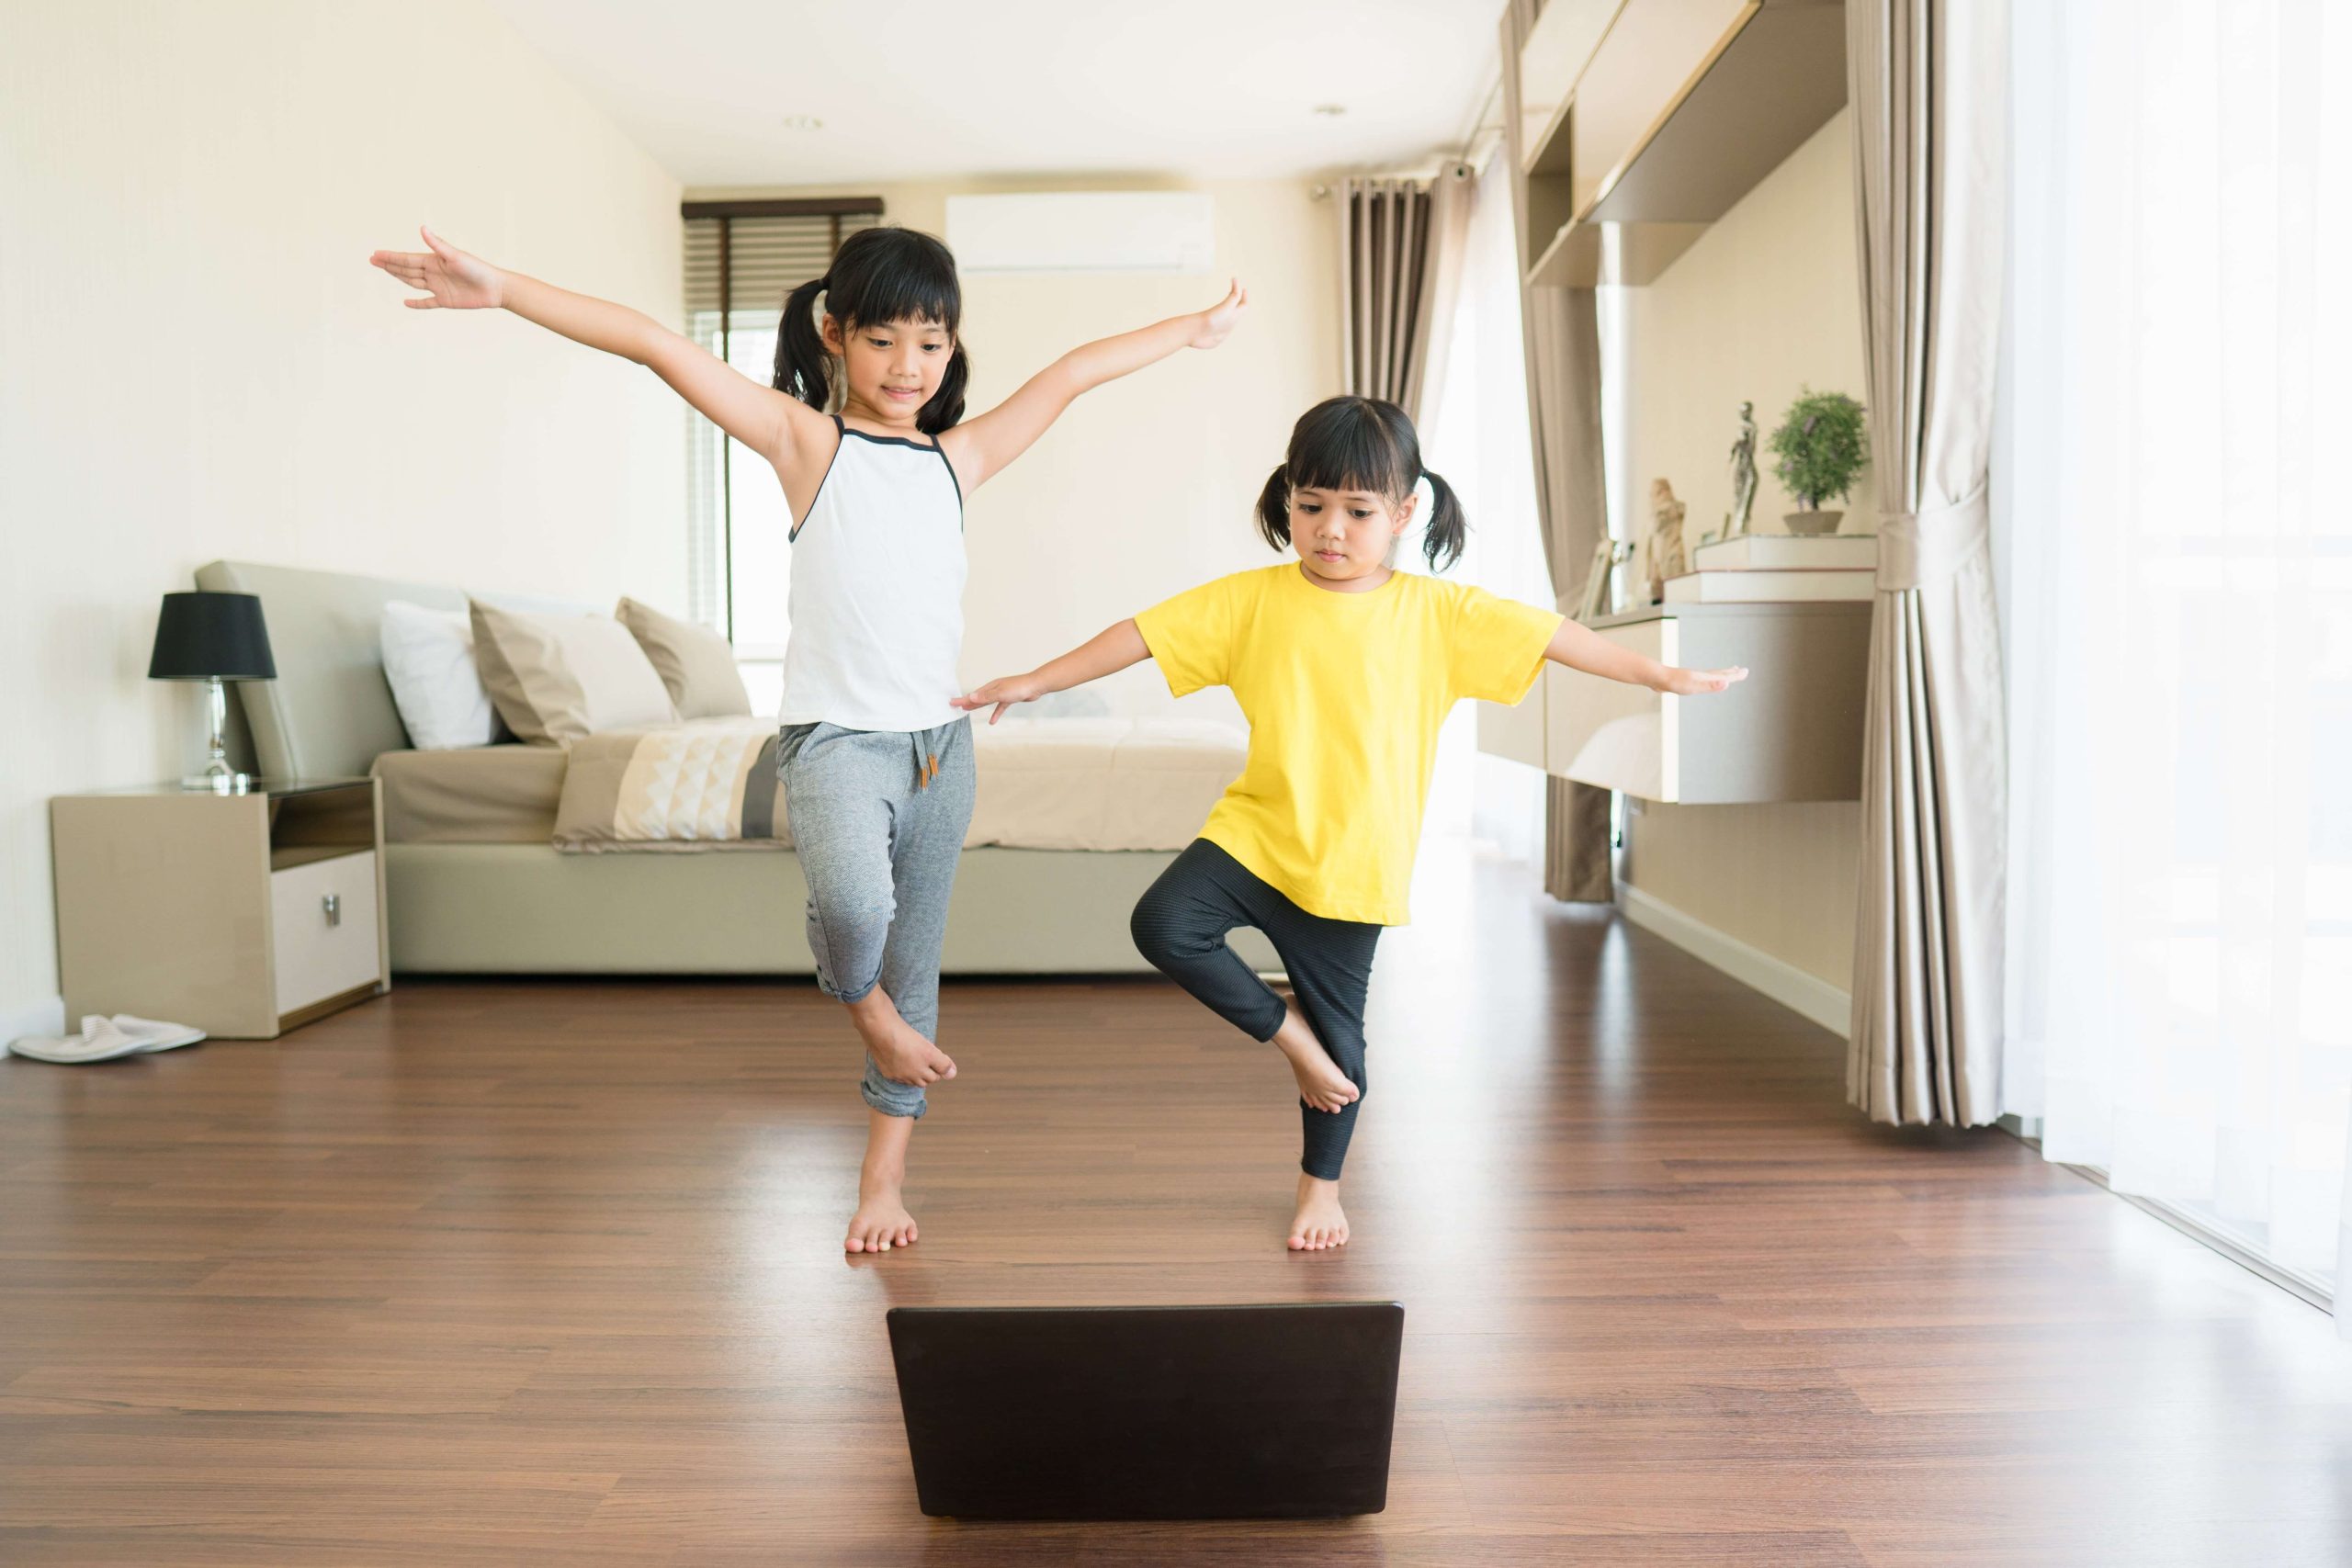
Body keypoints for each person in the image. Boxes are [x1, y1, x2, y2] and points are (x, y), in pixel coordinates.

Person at [371, 223, 1247, 1254]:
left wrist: (1193, 328)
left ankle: (883, 1178)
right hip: (837, 743)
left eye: (931, 342)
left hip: (940, 748)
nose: (908, 365)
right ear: (835, 335)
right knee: (853, 908)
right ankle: (865, 1011)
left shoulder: (958, 460)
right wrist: (504, 288)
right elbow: (653, 342)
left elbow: (1072, 374)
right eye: (883, 340)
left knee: (915, 968)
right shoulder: (808, 445)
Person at [956, 396, 1746, 1252]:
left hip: (1354, 863)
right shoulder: (1253, 600)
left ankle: (1319, 1188)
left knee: (1344, 1047)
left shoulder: (1439, 614)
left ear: (1403, 513)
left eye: (1358, 511)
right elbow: (1142, 634)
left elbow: (1558, 637)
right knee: (1164, 923)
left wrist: (1660, 676)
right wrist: (1034, 681)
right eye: (1312, 505)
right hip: (1257, 833)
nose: (1331, 528)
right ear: (1287, 500)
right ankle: (1290, 1039)